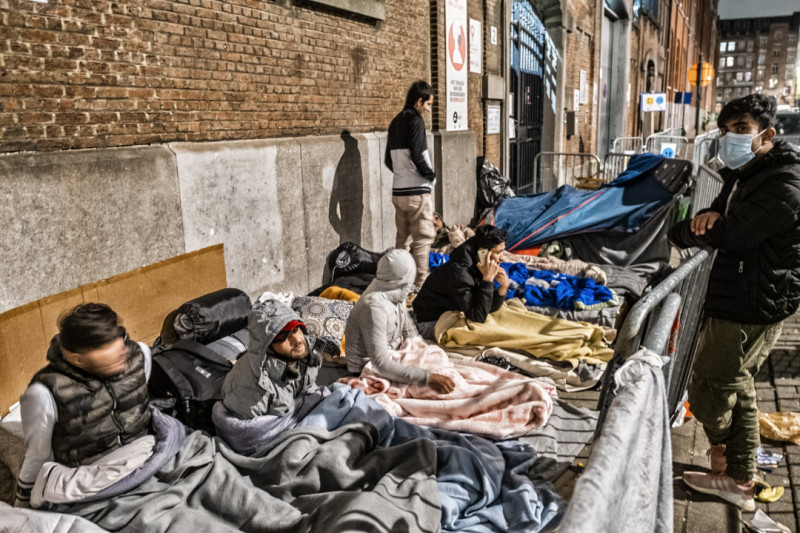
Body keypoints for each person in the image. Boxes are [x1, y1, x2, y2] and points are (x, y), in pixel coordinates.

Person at [669, 94, 800, 511]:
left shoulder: (784, 183)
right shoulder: (743, 175)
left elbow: (729, 233)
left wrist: (703, 228)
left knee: (711, 389)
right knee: (736, 386)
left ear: (767, 134)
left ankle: (731, 466)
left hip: (752, 303)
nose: (731, 138)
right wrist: (699, 225)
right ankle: (737, 476)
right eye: (725, 130)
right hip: (737, 295)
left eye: (742, 129)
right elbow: (699, 223)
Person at [15, 303, 153, 507]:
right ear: (77, 359)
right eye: (110, 356)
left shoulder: (139, 354)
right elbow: (38, 454)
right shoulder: (44, 392)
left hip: (147, 456)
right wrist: (23, 504)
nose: (123, 353)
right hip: (94, 478)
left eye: (121, 343)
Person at [345, 248, 455, 394]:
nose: (411, 284)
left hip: (395, 357)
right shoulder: (374, 307)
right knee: (441, 393)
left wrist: (423, 352)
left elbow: (409, 330)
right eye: (409, 279)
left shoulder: (395, 293)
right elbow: (381, 364)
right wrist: (428, 377)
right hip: (368, 370)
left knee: (448, 369)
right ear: (401, 279)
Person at [221, 299, 324, 419]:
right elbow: (252, 428)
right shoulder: (249, 389)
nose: (297, 340)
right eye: (284, 336)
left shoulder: (305, 357)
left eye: (296, 329)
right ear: (268, 347)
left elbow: (307, 390)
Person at [413, 224, 512, 339]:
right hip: (429, 323)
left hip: (451, 314)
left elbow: (487, 308)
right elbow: (478, 318)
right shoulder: (460, 272)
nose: (502, 258)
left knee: (505, 320)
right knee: (487, 333)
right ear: (483, 253)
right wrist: (487, 280)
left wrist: (503, 288)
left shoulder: (478, 264)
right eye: (498, 252)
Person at [385, 80, 437, 289]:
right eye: (428, 104)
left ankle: (399, 285)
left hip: (399, 191)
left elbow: (388, 160)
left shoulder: (395, 121)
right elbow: (417, 154)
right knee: (423, 238)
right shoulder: (416, 121)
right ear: (419, 101)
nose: (429, 109)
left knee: (403, 241)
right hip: (417, 191)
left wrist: (402, 174)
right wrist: (430, 175)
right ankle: (420, 287)